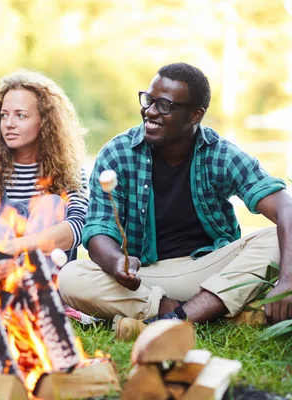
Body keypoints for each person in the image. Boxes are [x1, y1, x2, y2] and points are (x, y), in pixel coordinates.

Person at [58, 62, 292, 340]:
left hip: (207, 269)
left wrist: (287, 279)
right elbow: (98, 231)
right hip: (145, 277)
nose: (150, 112)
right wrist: (116, 263)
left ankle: (170, 320)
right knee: (71, 276)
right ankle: (205, 314)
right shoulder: (117, 153)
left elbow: (285, 209)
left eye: (164, 106)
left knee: (272, 239)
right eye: (148, 100)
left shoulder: (220, 155)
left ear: (195, 115)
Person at [0, 70, 88, 274]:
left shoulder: (68, 170)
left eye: (21, 116)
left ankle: (39, 295)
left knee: (51, 204)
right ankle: (0, 295)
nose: (9, 124)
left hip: (45, 278)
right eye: (4, 115)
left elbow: (79, 226)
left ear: (44, 121)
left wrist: (19, 246)